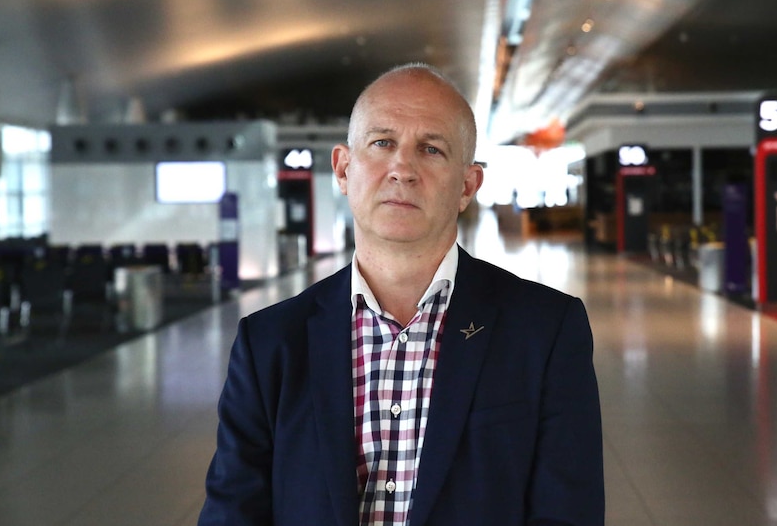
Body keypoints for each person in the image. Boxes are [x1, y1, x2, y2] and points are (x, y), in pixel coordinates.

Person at [198, 63, 604, 525]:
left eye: (431, 149)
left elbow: (568, 513)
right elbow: (233, 511)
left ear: (467, 185)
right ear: (343, 168)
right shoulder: (270, 341)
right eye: (382, 143)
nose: (402, 169)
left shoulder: (545, 330)